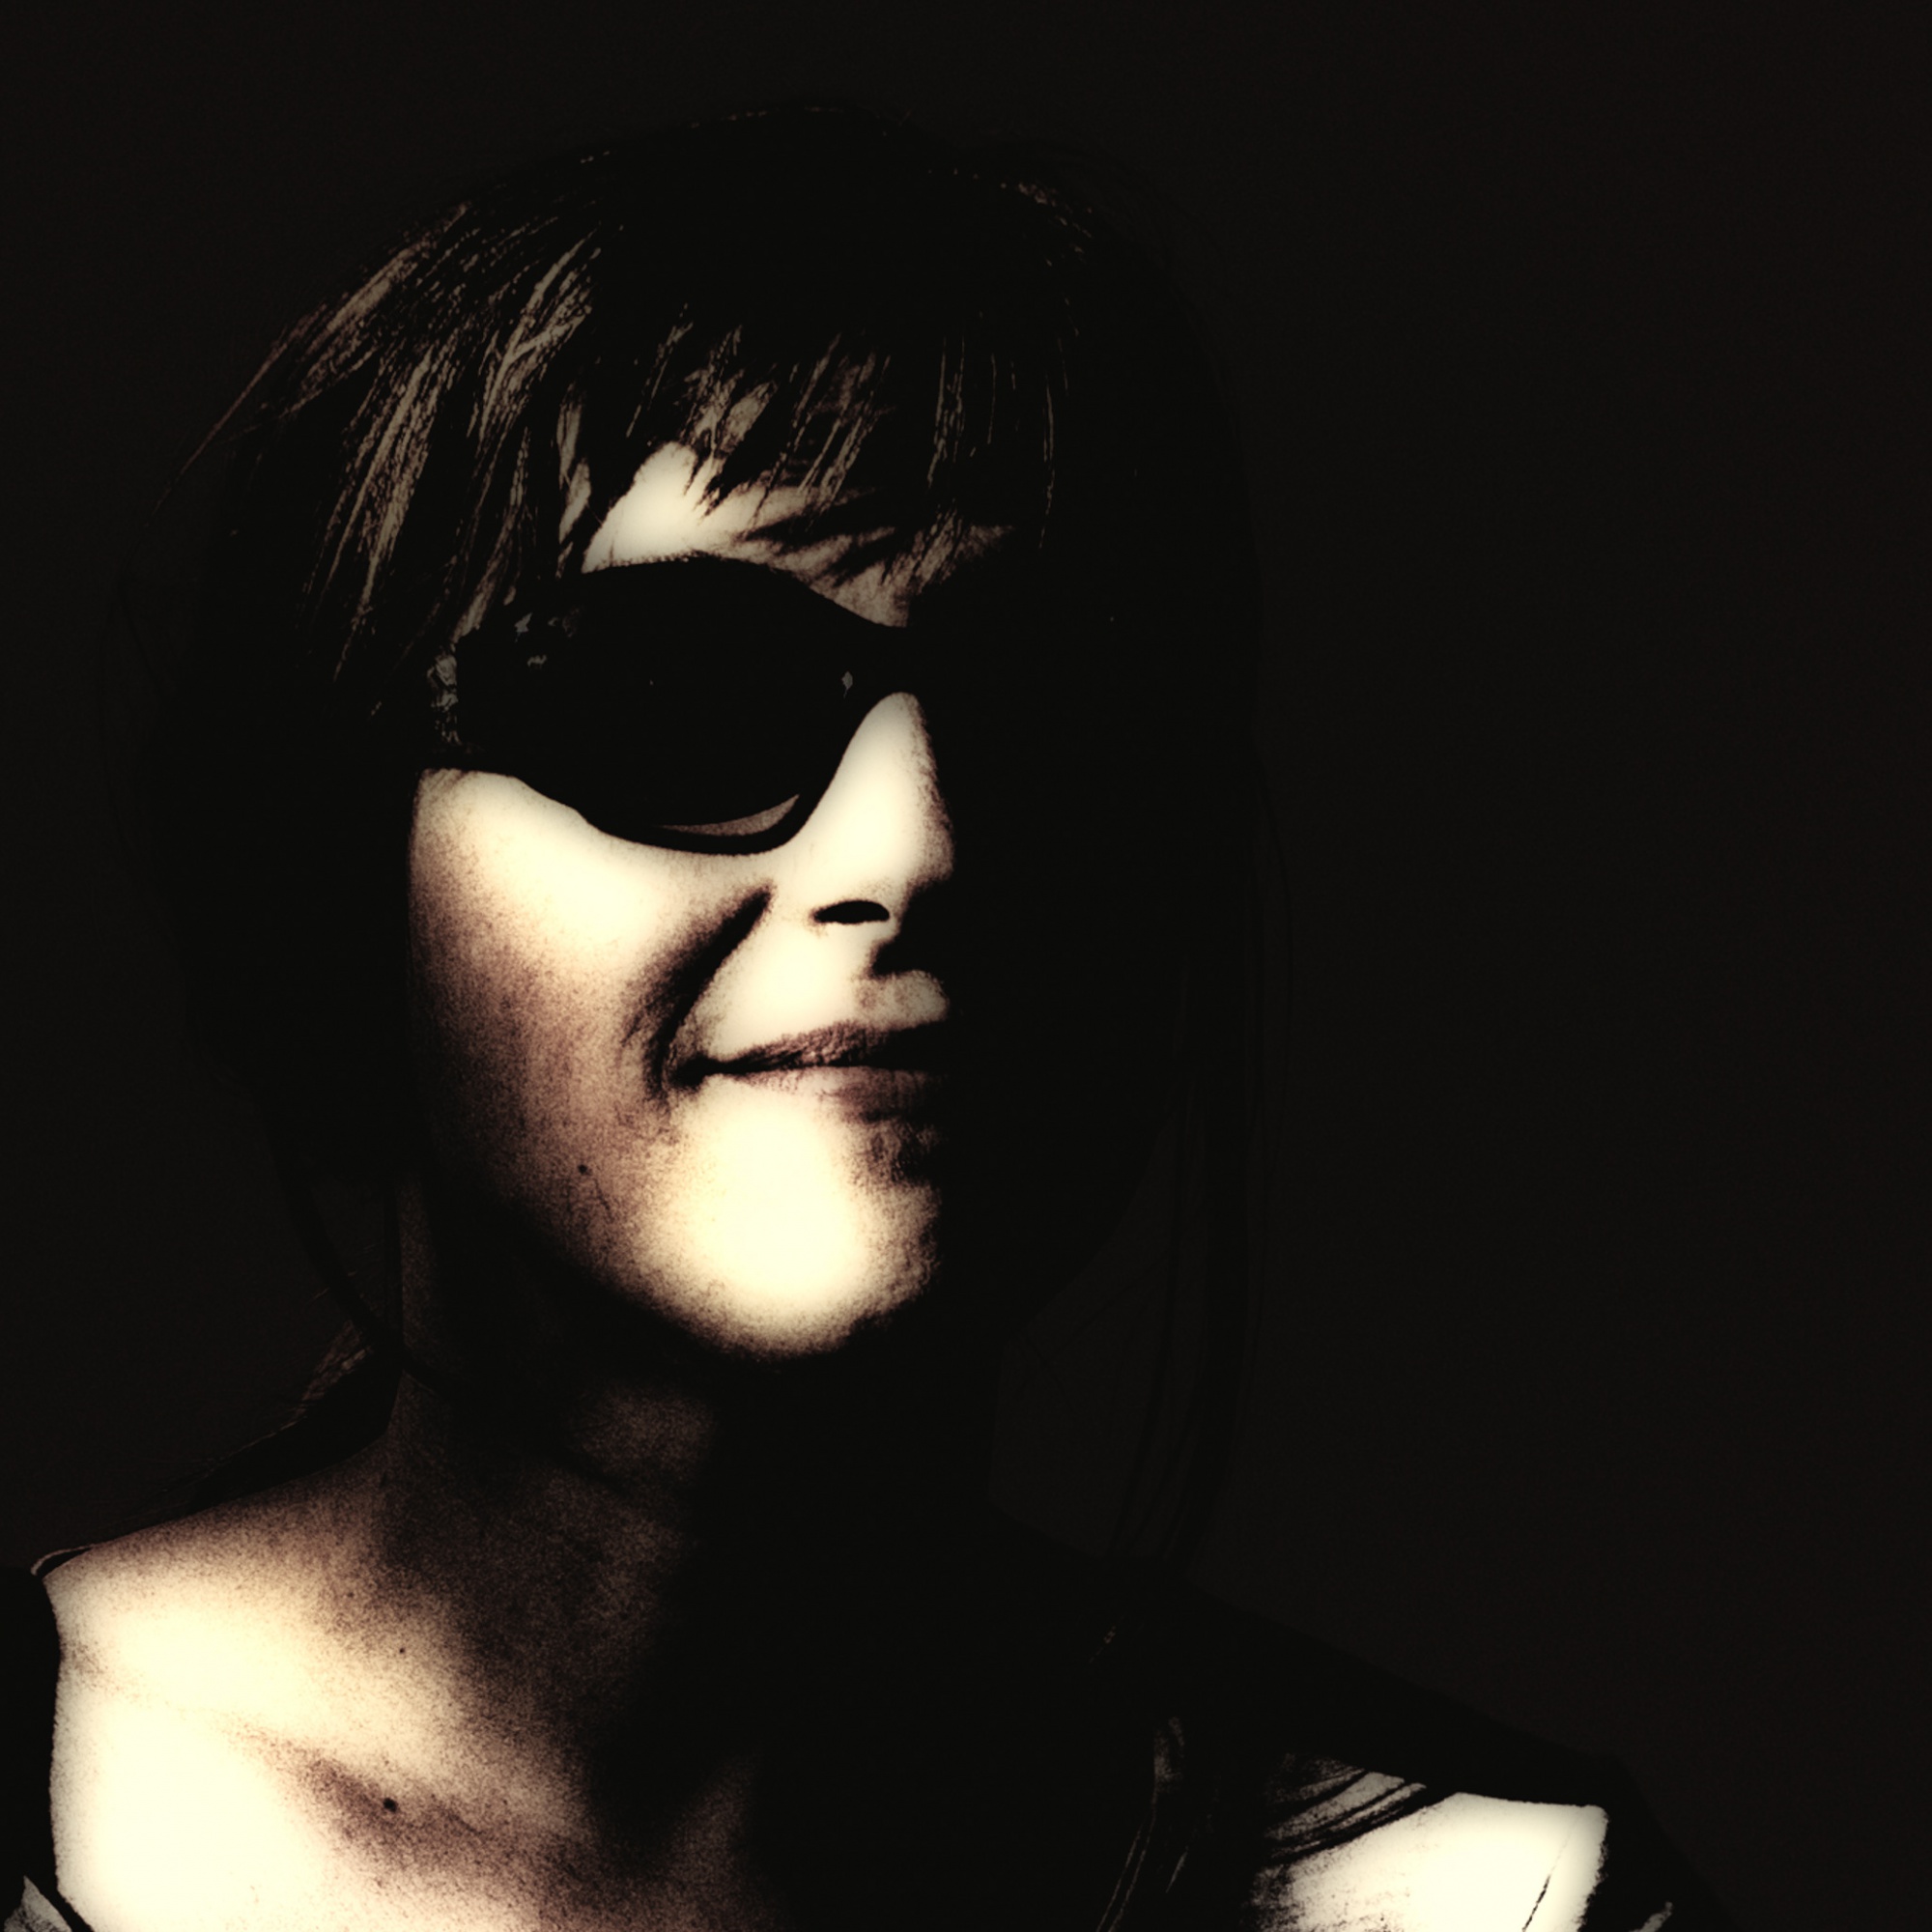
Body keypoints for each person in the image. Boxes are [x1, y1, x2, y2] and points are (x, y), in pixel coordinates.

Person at [2, 105, 1735, 1931]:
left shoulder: (1498, 1905)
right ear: (323, 865)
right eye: (679, 696)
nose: (915, 846)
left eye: (1051, 707)